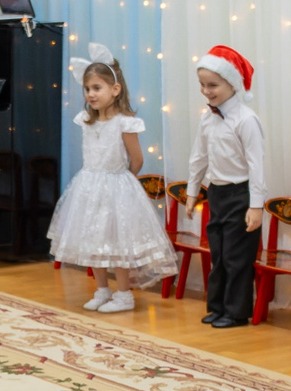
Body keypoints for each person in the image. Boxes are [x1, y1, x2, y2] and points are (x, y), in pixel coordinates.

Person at [50, 52, 175, 314]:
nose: (91, 94)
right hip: (88, 186)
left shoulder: (125, 123)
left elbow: (137, 159)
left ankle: (124, 294)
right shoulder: (85, 120)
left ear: (115, 89)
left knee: (119, 243)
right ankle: (102, 289)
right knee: (93, 239)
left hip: (117, 186)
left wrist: (120, 179)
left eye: (97, 88)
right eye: (87, 89)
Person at [185, 47, 265, 330]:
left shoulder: (246, 120)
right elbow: (199, 156)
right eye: (202, 85)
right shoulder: (208, 118)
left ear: (233, 84)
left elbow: (256, 165)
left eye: (213, 85)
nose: (206, 91)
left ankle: (236, 311)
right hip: (217, 194)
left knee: (236, 256)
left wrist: (256, 206)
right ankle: (217, 307)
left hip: (240, 195)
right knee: (217, 253)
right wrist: (192, 192)